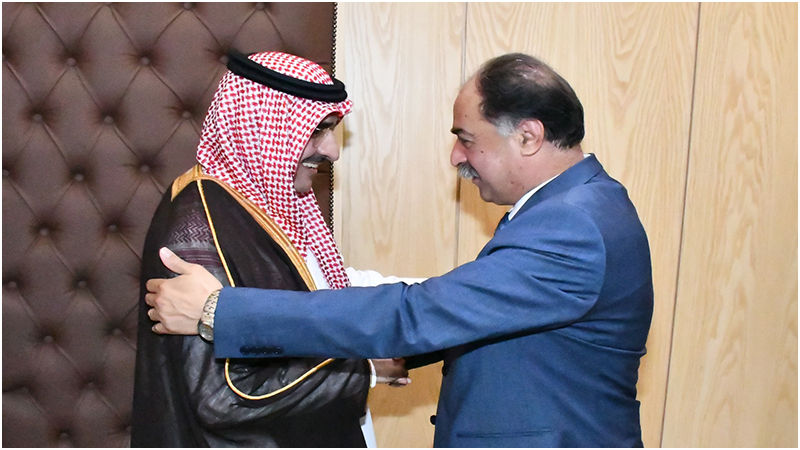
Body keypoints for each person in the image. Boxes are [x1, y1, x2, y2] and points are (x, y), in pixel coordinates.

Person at [146, 53, 654, 447]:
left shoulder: (572, 225)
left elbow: (421, 314)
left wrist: (220, 312)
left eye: (466, 139)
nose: (455, 157)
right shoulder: (577, 205)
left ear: (528, 137)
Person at [131, 50, 408, 447]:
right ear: (260, 128)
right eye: (318, 130)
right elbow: (222, 398)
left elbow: (321, 290)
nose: (332, 151)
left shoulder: (262, 204)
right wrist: (363, 370)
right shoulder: (198, 224)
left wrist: (417, 305)